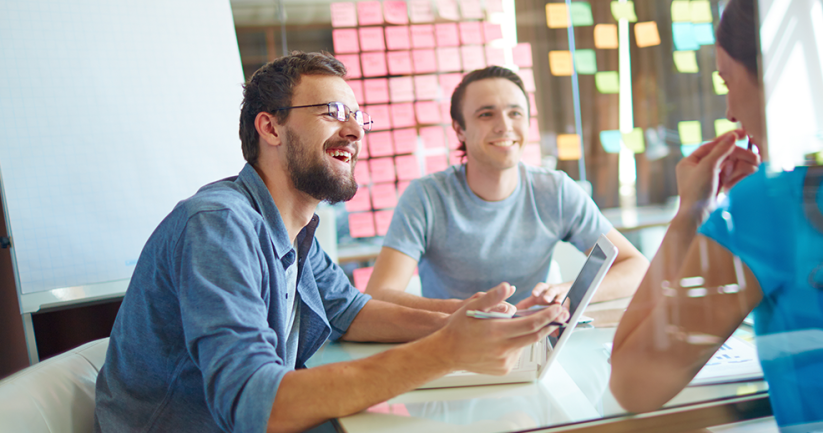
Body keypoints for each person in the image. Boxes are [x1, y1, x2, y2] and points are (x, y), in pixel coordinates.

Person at [93, 52, 567, 433]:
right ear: (271, 127)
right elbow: (252, 404)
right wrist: (446, 350)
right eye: (332, 113)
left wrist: (459, 318)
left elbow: (350, 311)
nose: (356, 130)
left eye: (358, 116)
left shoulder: (294, 224)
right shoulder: (219, 225)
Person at [610, 0, 823, 427]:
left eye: (726, 82)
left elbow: (632, 383)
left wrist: (691, 213)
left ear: (774, 77)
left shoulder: (772, 203)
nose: (730, 112)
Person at [365, 66, 649, 312]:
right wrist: (463, 311)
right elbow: (379, 296)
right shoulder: (426, 197)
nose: (505, 126)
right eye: (486, 114)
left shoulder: (556, 190)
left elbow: (635, 266)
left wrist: (570, 294)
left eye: (515, 113)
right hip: (451, 343)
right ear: (460, 129)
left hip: (534, 339)